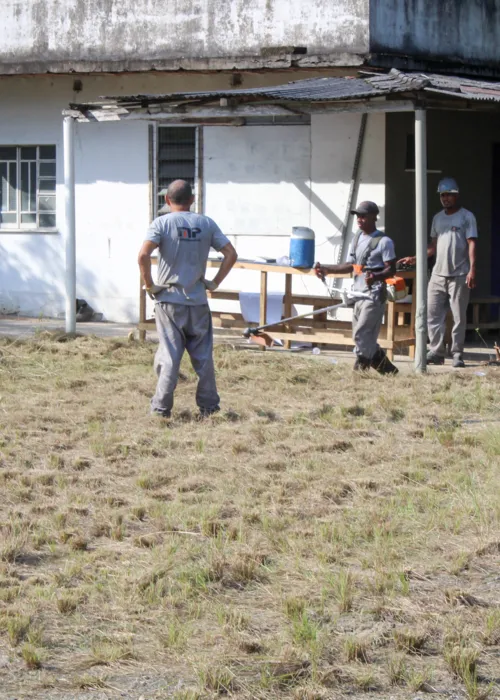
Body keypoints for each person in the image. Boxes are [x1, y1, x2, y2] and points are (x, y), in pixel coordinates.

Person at [138, 179, 237, 418]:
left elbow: (143, 255)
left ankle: (161, 409)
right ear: (192, 200)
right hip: (198, 302)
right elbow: (231, 254)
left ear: (166, 200)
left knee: (170, 356)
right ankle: (209, 408)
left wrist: (150, 285)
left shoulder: (160, 223)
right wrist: (215, 282)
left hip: (170, 301)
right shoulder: (206, 223)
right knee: (203, 358)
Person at [398, 178, 477, 368]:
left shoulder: (467, 217)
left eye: (449, 194)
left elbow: (472, 243)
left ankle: (457, 353)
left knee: (458, 316)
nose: (446, 198)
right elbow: (432, 246)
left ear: (456, 195)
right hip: (438, 275)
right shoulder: (437, 218)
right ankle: (437, 352)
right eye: (443, 195)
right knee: (432, 314)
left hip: (459, 274)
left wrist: (472, 270)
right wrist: (415, 258)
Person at [315, 201, 398, 374]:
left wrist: (376, 276)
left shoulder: (384, 242)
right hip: (358, 293)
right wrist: (327, 269)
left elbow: (392, 269)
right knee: (363, 338)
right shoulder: (357, 238)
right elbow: (351, 265)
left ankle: (360, 372)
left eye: (363, 215)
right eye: (357, 215)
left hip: (374, 296)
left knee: (361, 335)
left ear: (374, 217)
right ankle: (390, 372)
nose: (359, 219)